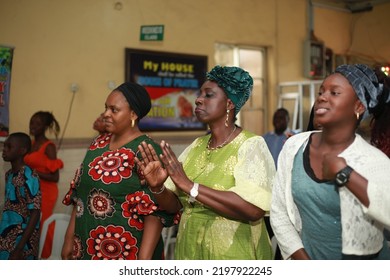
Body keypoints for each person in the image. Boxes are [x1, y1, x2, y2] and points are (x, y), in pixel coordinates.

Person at [136, 65, 276, 260]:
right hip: (190, 251)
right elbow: (174, 206)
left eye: (209, 95)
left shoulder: (251, 145)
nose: (198, 99)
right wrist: (158, 187)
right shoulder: (196, 146)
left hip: (233, 255)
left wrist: (191, 186)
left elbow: (253, 209)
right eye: (200, 94)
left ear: (229, 103)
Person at [270, 64, 390, 260]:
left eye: (334, 93)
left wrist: (345, 173)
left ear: (358, 106)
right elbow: (279, 211)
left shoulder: (372, 160)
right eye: (321, 91)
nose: (322, 97)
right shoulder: (293, 147)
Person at [61, 82, 178, 260]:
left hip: (125, 251)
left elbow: (155, 212)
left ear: (133, 114)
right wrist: (69, 240)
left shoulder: (146, 150)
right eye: (106, 108)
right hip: (86, 246)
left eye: (114, 110)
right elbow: (79, 196)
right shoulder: (97, 144)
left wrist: (144, 260)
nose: (106, 114)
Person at [24, 111, 64, 259]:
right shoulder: (31, 143)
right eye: (31, 122)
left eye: (37, 123)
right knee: (31, 225)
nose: (32, 126)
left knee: (43, 222)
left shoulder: (49, 147)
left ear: (45, 126)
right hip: (31, 190)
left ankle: (49, 256)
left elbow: (55, 177)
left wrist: (33, 172)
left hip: (46, 191)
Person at [0, 132, 41, 259]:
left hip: (23, 241)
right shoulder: (9, 174)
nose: (4, 150)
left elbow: (35, 213)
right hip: (6, 235)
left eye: (9, 147)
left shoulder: (29, 176)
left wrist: (19, 248)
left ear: (22, 150)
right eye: (4, 146)